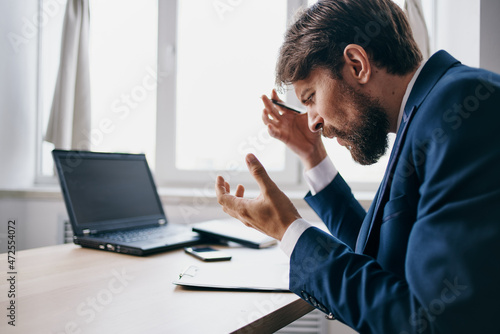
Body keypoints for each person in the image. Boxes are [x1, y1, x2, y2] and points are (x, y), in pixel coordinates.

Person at [215, 0, 500, 332]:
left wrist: (288, 229)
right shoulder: (428, 112)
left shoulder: (461, 111)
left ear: (356, 64)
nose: (313, 122)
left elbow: (431, 323)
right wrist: (313, 158)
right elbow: (379, 255)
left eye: (310, 98)